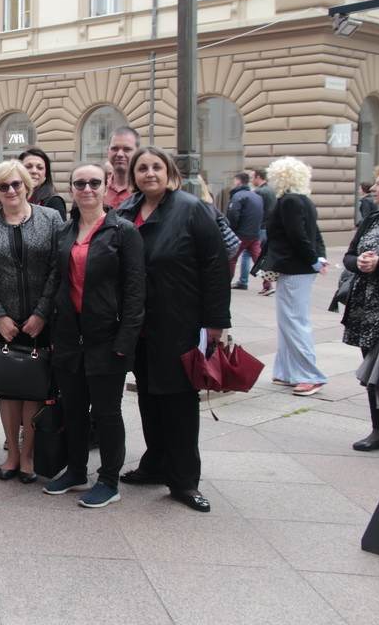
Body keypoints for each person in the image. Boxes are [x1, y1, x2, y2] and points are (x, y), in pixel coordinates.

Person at [117, 146, 230, 512]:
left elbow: (215, 266)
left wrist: (215, 322)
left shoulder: (191, 208)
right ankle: (156, 463)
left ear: (169, 172)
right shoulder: (126, 211)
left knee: (179, 400)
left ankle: (184, 480)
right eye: (142, 168)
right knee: (149, 396)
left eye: (156, 167)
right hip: (140, 325)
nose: (149, 173)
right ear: (134, 175)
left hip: (179, 321)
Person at [45, 163, 145, 508]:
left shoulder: (123, 231)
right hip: (70, 336)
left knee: (106, 413)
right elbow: (57, 284)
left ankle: (108, 480)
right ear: (71, 189)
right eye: (79, 183)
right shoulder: (64, 231)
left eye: (94, 183)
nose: (86, 189)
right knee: (72, 408)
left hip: (107, 336)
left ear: (106, 187)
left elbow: (135, 291)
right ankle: (75, 471)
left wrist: (125, 340)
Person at [0, 160, 62, 483]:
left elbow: (57, 268)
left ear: (28, 185)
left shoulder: (51, 219)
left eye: (16, 184)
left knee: (33, 386)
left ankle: (27, 455)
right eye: (3, 186)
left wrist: (41, 313)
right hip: (2, 321)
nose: (10, 191)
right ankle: (10, 454)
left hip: (40, 318)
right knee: (8, 389)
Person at [258, 156, 328, 396]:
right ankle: (288, 371)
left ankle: (309, 376)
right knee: (289, 320)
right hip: (300, 267)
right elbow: (313, 233)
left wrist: (314, 259)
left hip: (294, 267)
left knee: (294, 321)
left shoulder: (288, 200)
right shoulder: (304, 200)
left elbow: (299, 235)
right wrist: (319, 258)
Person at [342, 174, 379, 451]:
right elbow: (349, 256)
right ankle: (377, 428)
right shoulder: (372, 219)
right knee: (371, 371)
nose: (375, 188)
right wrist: (360, 262)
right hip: (367, 308)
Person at [226, 170, 263, 291]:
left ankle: (226, 282)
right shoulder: (257, 196)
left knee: (231, 258)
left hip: (241, 234)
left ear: (238, 181)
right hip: (254, 234)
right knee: (258, 259)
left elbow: (233, 213)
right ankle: (268, 284)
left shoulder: (238, 196)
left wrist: (232, 228)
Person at [250, 167, 278, 295]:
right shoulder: (271, 191)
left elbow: (257, 212)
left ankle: (267, 284)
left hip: (259, 228)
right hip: (266, 228)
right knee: (255, 255)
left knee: (257, 255)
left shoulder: (260, 192)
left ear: (258, 177)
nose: (251, 180)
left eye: (252, 177)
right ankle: (245, 281)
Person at [20, 147, 67, 219]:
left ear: (45, 174)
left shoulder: (54, 202)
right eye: (28, 167)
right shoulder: (12, 198)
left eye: (40, 168)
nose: (34, 171)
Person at [104, 126, 140, 209]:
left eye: (127, 149)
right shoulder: (99, 189)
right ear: (108, 151)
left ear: (137, 152)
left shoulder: (145, 190)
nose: (120, 154)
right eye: (115, 148)